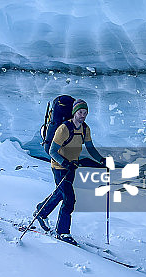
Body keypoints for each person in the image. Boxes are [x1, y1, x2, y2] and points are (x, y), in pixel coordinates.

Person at [33, 99, 106, 245]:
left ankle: (41, 212)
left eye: (85, 113)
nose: (83, 115)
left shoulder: (85, 129)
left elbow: (90, 148)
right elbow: (52, 151)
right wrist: (65, 163)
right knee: (69, 199)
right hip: (60, 167)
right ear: (74, 112)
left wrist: (101, 160)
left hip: (72, 167)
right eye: (80, 112)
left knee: (60, 192)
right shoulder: (63, 129)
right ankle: (62, 232)